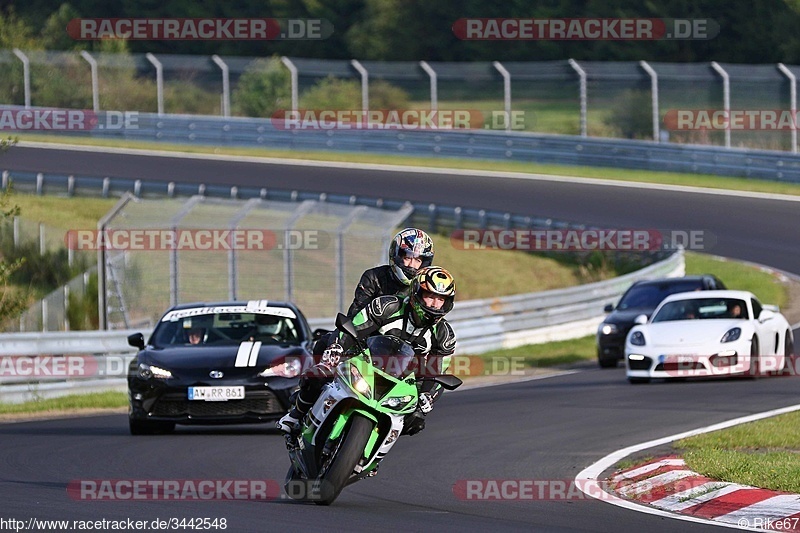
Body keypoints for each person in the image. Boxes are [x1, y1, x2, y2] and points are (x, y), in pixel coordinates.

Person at [278, 266, 457, 439]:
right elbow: (354, 327)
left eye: (441, 299)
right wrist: (336, 348)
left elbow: (436, 372)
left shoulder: (444, 336)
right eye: (430, 296)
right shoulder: (387, 306)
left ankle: (372, 455)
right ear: (417, 293)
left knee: (415, 422)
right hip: (363, 358)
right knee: (321, 369)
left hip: (401, 380)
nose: (435, 304)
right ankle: (296, 415)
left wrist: (427, 397)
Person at [311, 227, 435, 355]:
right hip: (369, 342)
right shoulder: (373, 277)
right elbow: (356, 315)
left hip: (406, 348)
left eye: (418, 260)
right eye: (408, 257)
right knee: (323, 343)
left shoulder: (425, 287)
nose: (412, 265)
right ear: (396, 256)